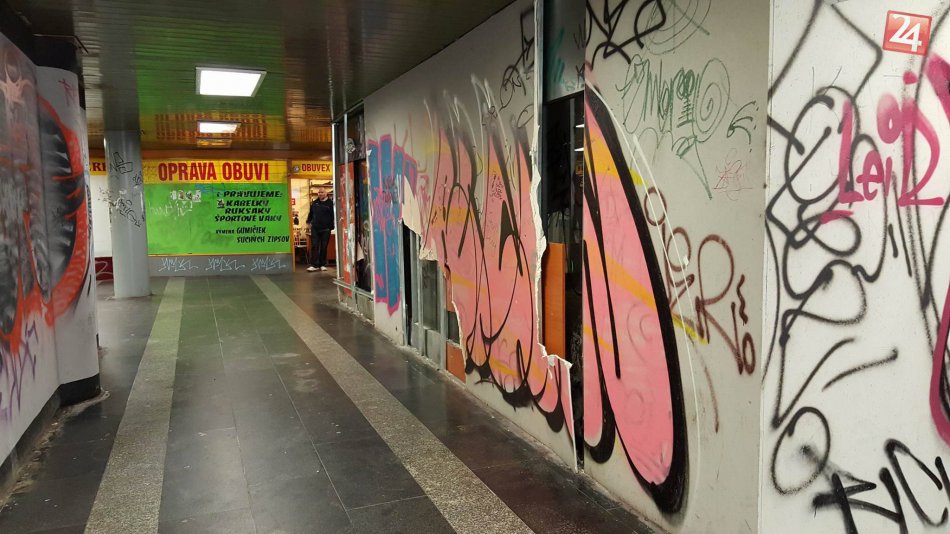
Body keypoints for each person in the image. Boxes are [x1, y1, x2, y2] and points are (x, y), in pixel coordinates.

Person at [306, 189, 334, 272]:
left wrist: (331, 227)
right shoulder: (315, 203)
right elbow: (311, 213)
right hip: (315, 228)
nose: (320, 194)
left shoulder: (330, 203)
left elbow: (333, 215)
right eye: (319, 192)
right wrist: (308, 222)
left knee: (324, 247)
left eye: (322, 192)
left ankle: (322, 264)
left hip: (326, 229)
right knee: (314, 246)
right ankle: (314, 265)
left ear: (326, 193)